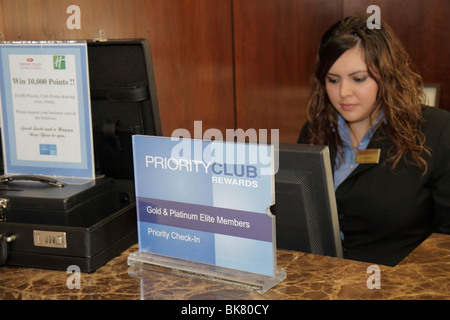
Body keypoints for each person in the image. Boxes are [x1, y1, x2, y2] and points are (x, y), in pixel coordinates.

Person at [297, 14, 450, 266]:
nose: (343, 92)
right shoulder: (315, 132)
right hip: (322, 281)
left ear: (387, 75)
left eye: (359, 79)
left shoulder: (437, 131)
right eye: (332, 80)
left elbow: (446, 241)